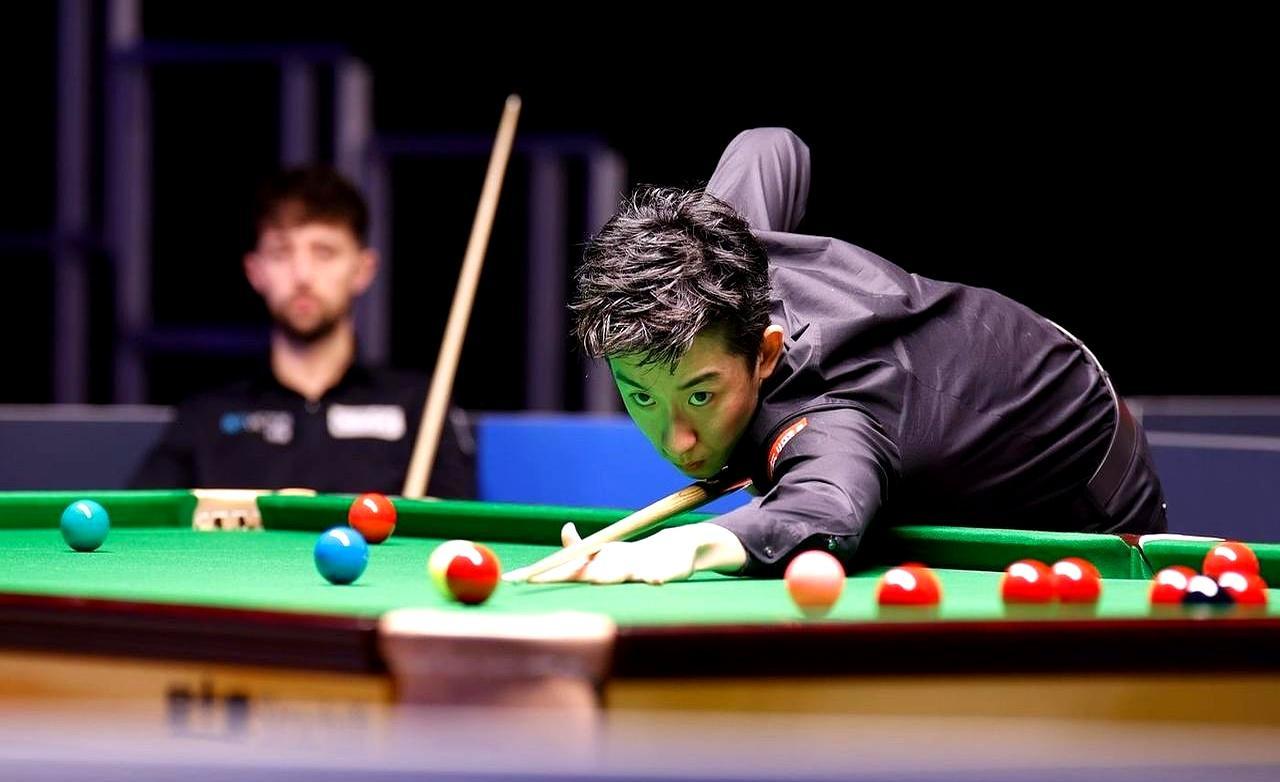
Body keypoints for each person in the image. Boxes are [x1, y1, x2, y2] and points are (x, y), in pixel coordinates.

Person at [532, 128, 1165, 584]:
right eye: (641, 396)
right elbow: (770, 144)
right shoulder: (716, 254)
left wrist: (691, 546)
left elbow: (827, 505)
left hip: (1074, 471)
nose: (678, 439)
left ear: (765, 353)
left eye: (701, 394)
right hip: (959, 405)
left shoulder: (828, 410)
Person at [130, 165, 475, 497]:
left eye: (324, 252)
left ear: (363, 269)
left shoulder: (418, 403)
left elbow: (458, 526)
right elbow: (144, 523)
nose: (303, 275)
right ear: (255, 271)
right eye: (281, 253)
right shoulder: (209, 413)